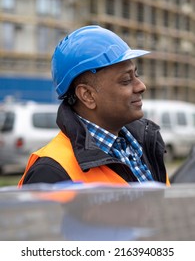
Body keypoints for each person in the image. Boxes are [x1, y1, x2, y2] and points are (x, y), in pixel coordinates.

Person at [18, 25, 170, 187]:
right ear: (87, 95)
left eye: (136, 75)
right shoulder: (51, 173)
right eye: (126, 80)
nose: (141, 86)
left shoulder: (145, 145)